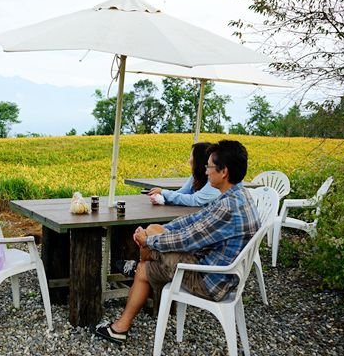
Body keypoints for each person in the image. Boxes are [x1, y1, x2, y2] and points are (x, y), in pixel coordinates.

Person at [95, 140, 261, 345]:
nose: (206, 172)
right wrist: (161, 230)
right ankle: (120, 326)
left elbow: (188, 240)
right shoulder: (239, 195)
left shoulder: (228, 207)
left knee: (149, 246)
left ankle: (124, 312)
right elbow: (194, 221)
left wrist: (149, 240)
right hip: (221, 270)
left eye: (209, 167)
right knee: (145, 265)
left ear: (223, 171)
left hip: (210, 280)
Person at [147, 142, 220, 207]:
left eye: (191, 156)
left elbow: (195, 200)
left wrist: (163, 192)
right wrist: (162, 198)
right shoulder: (196, 176)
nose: (189, 160)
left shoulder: (216, 180)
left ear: (199, 160)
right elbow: (182, 193)